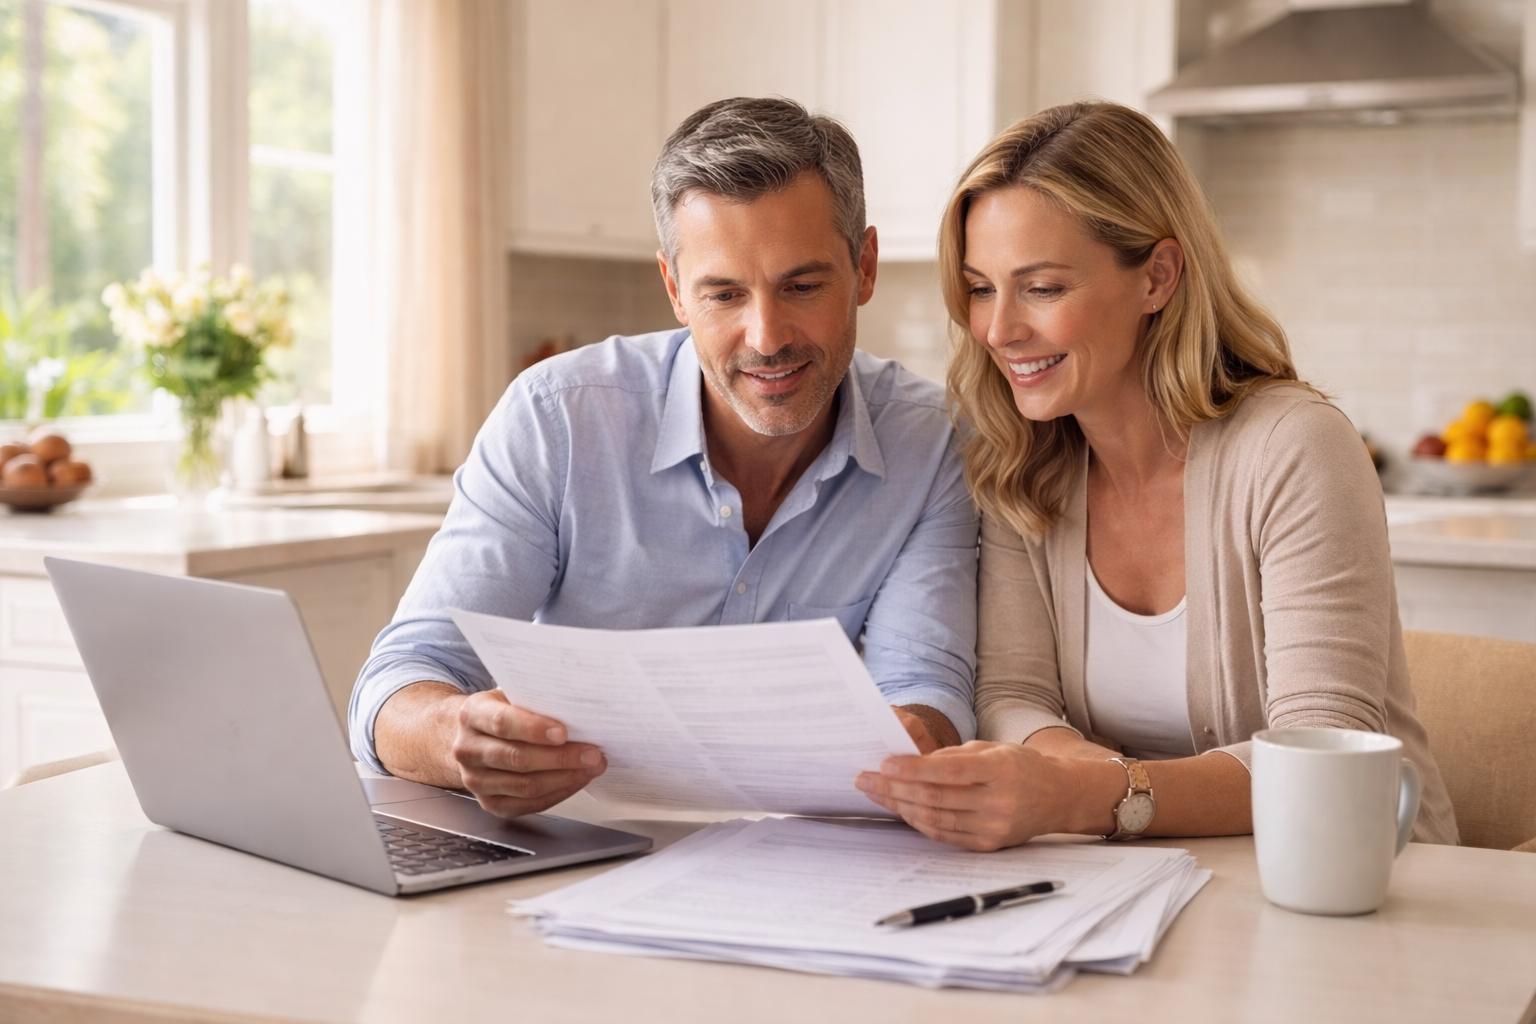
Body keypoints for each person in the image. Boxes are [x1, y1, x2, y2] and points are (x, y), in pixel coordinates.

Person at [349, 97, 979, 818]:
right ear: (676, 289)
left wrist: (909, 738)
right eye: (724, 294)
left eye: (802, 286)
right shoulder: (558, 418)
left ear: (864, 267)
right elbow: (398, 681)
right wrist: (456, 736)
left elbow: (926, 682)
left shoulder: (932, 443)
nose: (767, 336)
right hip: (576, 850)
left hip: (801, 853)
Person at [855, 101, 1458, 849]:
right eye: (981, 288)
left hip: (1359, 885)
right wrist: (1088, 789)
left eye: (1041, 288)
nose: (998, 330)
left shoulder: (1294, 449)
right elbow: (1013, 695)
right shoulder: (1021, 457)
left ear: (1158, 277)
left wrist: (1088, 794)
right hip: (1143, 882)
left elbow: (1321, 752)